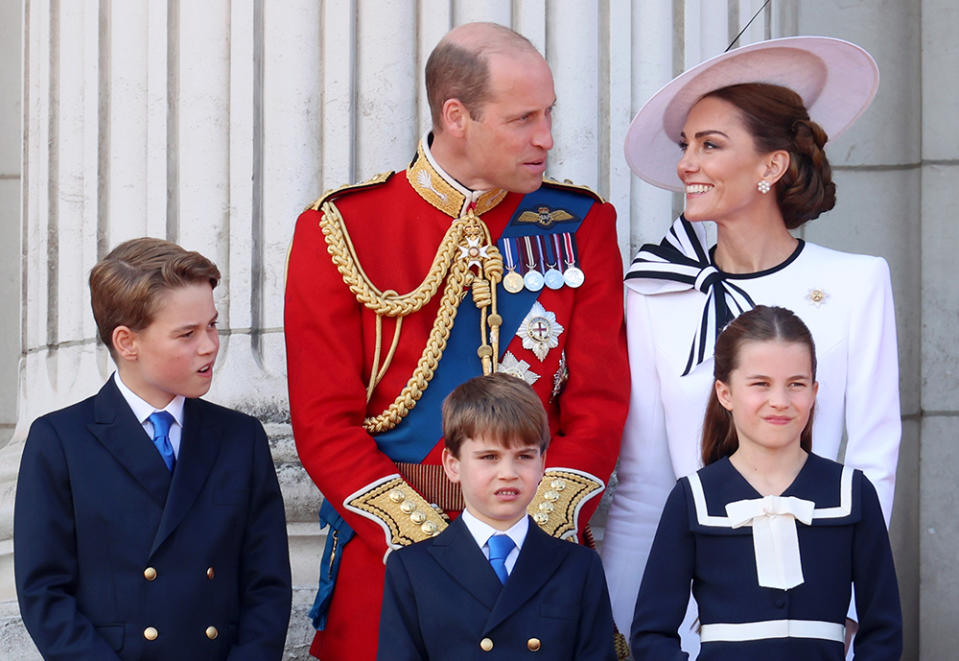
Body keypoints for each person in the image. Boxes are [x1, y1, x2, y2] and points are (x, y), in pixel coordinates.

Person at [284, 21, 628, 660]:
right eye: (523, 118)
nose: (547, 137)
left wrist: (539, 518)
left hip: (536, 551)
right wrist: (423, 541)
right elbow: (323, 421)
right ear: (456, 116)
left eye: (548, 114)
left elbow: (600, 404)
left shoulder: (581, 224)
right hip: (391, 556)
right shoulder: (343, 228)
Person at [601, 36, 901, 656]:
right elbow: (644, 483)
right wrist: (629, 627)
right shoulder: (655, 292)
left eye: (710, 145)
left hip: (816, 619)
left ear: (771, 166)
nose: (687, 163)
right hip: (691, 625)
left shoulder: (856, 282)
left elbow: (874, 462)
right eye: (686, 145)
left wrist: (844, 615)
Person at [15, 238, 292, 660]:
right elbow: (45, 593)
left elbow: (266, 585)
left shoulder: (241, 438)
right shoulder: (60, 440)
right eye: (187, 333)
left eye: (212, 325)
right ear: (127, 342)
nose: (209, 345)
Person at [630, 305, 902, 660]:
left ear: (814, 391)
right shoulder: (693, 498)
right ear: (725, 393)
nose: (780, 402)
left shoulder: (851, 492)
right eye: (761, 384)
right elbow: (651, 634)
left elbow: (884, 630)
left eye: (796, 385)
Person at [378, 373, 617, 660]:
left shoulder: (579, 567)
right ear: (452, 465)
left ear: (543, 464)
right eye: (489, 457)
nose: (508, 473)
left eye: (524, 457)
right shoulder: (412, 568)